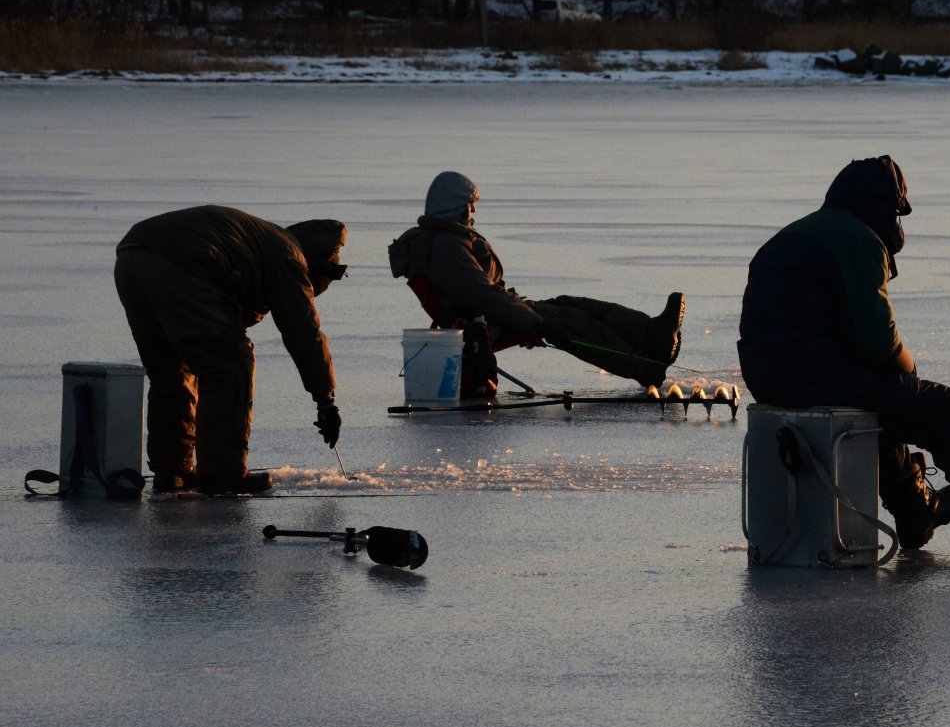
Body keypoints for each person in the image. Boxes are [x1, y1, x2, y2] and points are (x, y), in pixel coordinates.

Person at [737, 156, 950, 561]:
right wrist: (910, 378)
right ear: (886, 208)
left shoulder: (799, 233)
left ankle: (916, 511)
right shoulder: (857, 237)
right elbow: (876, 338)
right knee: (943, 408)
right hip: (812, 374)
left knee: (881, 400)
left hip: (769, 375)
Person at [114, 205, 346, 495]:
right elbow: (304, 332)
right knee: (232, 365)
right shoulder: (289, 255)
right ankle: (223, 474)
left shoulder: (264, 240)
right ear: (316, 265)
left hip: (131, 259)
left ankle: (173, 471)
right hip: (182, 263)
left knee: (171, 371)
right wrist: (325, 400)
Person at [388, 171, 686, 388]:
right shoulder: (446, 246)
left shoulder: (447, 239)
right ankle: (646, 368)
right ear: (455, 205)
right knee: (569, 321)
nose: (474, 210)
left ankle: (652, 334)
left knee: (572, 304)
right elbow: (481, 294)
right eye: (470, 203)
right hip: (481, 323)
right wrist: (533, 323)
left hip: (490, 313)